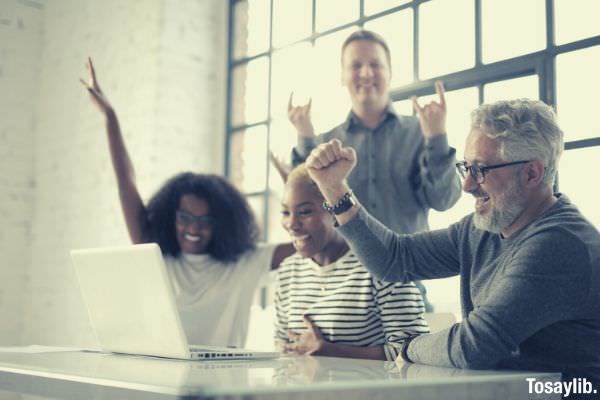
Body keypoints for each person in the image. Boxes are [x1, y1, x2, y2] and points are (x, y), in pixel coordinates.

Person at [304, 99, 600, 384]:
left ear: (531, 173)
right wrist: (333, 188)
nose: (468, 185)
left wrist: (408, 347)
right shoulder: (483, 228)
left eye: (480, 170)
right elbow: (394, 259)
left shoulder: (559, 245)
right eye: (466, 167)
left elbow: (474, 346)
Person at [80, 58, 294, 348]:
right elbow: (126, 182)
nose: (194, 228)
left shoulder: (245, 262)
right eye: (185, 217)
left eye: (206, 221)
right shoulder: (155, 254)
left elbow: (309, 240)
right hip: (162, 385)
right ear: (172, 216)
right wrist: (111, 117)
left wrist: (296, 184)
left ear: (222, 225)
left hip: (222, 389)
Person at [288, 29, 462, 310]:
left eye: (375, 64)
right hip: (340, 292)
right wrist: (305, 139)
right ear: (343, 76)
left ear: (390, 72)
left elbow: (443, 200)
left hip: (407, 287)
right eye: (356, 65)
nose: (366, 73)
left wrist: (437, 137)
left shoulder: (420, 132)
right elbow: (303, 206)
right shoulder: (325, 143)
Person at [274, 164, 428, 361]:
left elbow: (415, 352)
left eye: (304, 212)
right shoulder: (288, 270)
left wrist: (333, 352)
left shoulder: (382, 264)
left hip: (366, 392)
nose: (292, 224)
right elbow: (281, 348)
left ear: (334, 209)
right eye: (285, 213)